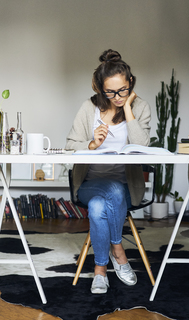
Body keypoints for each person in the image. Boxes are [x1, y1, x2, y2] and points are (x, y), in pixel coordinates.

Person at [65, 49, 151, 294]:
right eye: (110, 92)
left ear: (130, 83)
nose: (117, 96)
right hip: (90, 184)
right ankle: (119, 250)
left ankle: (100, 270)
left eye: (122, 90)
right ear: (100, 89)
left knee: (98, 207)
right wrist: (91, 145)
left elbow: (142, 147)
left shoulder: (140, 107)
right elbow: (71, 146)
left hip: (126, 187)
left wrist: (130, 108)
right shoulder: (88, 108)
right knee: (106, 191)